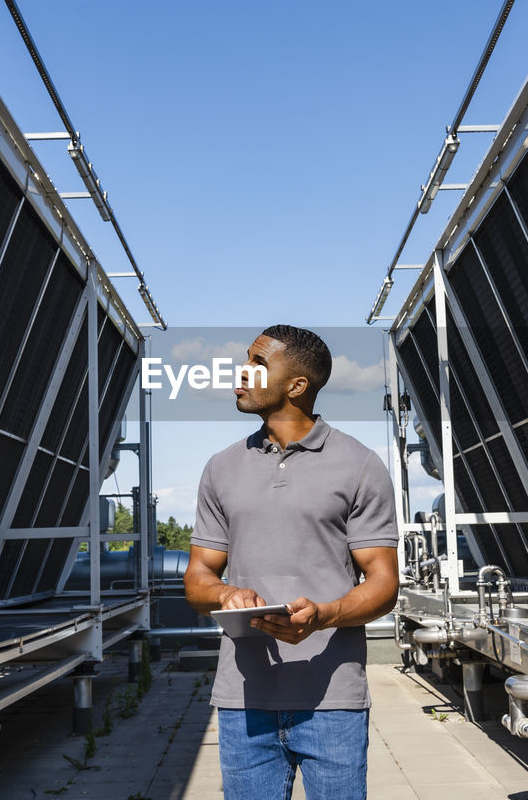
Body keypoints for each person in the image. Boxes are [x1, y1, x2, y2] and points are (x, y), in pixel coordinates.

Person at [184, 325, 399, 800]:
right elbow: (198, 576)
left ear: (297, 385)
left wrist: (325, 615)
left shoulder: (360, 464)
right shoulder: (221, 467)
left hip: (333, 702)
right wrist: (224, 593)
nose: (242, 371)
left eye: (258, 364)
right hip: (243, 703)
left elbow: (384, 582)